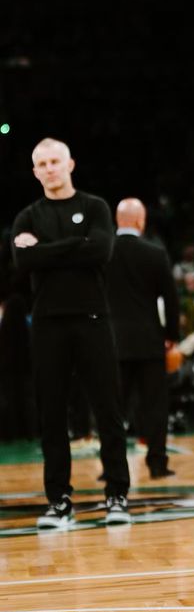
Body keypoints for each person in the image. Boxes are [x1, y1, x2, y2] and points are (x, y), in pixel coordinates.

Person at [11, 138, 131, 528]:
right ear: (35, 171)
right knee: (51, 414)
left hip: (93, 319)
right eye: (42, 163)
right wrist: (75, 246)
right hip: (47, 323)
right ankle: (59, 501)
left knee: (108, 410)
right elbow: (22, 261)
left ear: (70, 164)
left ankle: (117, 495)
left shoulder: (95, 207)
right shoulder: (27, 216)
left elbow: (101, 251)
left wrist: (45, 250)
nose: (49, 168)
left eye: (55, 161)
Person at [106, 198, 180, 479]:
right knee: (155, 406)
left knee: (113, 408)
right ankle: (157, 463)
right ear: (141, 220)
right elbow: (171, 299)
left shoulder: (102, 253)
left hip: (113, 342)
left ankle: (112, 467)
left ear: (117, 220)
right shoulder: (154, 252)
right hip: (150, 340)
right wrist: (171, 335)